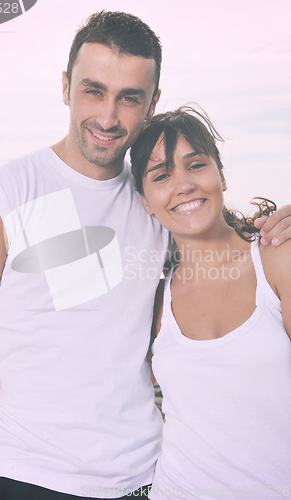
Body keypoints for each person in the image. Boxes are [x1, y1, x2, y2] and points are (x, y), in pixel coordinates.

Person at [0, 10, 290, 500]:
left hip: (148, 479)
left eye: (129, 98)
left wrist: (277, 223)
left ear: (151, 103)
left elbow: (211, 227)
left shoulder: (154, 202)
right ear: (66, 86)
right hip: (31, 477)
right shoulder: (0, 192)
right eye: (94, 90)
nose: (108, 117)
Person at [130, 106, 291, 499]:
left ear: (220, 174)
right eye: (162, 175)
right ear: (147, 201)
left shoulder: (276, 258)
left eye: (196, 165)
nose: (183, 185)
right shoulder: (154, 298)